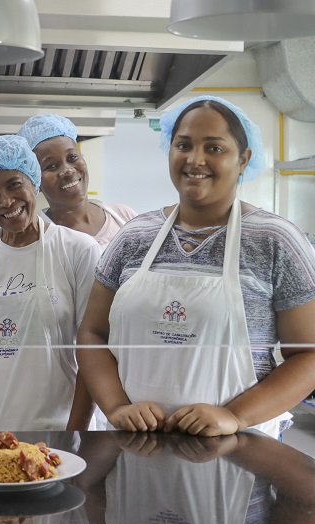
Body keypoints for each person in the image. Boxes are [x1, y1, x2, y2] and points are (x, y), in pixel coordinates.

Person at [77, 96, 315, 438]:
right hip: (138, 447)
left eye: (214, 148)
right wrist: (116, 406)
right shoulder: (134, 237)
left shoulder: (275, 240)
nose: (195, 159)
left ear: (243, 159)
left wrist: (234, 416)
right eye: (183, 145)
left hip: (239, 454)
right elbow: (91, 334)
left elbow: (308, 355)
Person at [0, 135, 101, 432]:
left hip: (52, 430)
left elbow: (94, 352)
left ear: (33, 183)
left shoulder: (78, 250)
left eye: (14, 184)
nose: (5, 201)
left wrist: (75, 436)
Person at [18, 114, 137, 245]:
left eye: (72, 158)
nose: (68, 171)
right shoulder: (39, 239)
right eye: (51, 166)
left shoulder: (123, 215)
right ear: (35, 179)